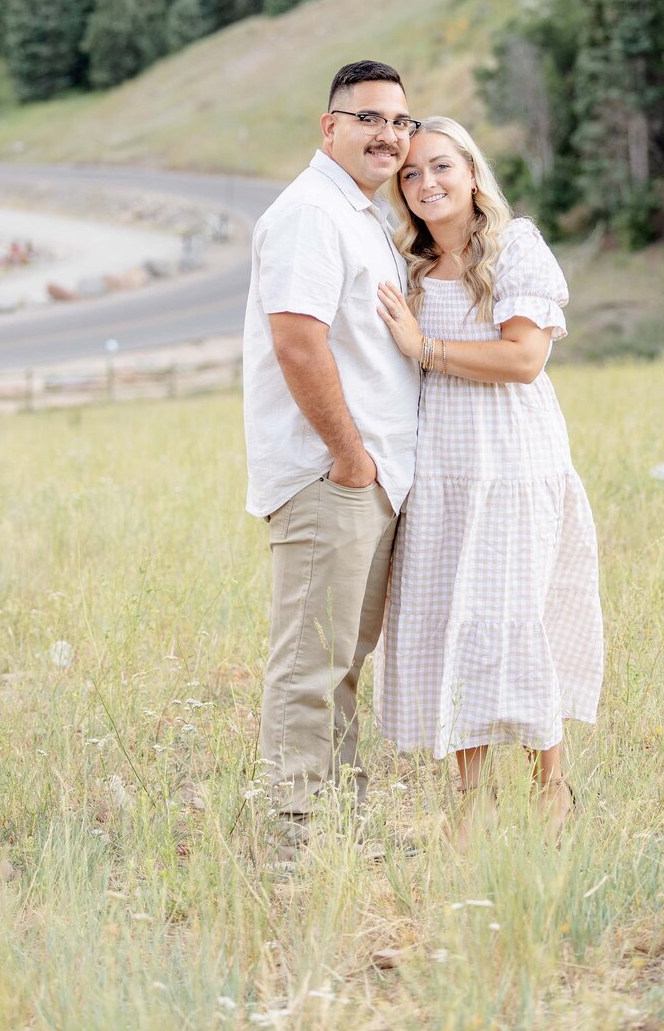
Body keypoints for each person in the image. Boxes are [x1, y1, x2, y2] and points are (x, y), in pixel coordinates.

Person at [374, 116, 603, 832]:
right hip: (441, 463)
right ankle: (469, 802)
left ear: (473, 173)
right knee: (454, 616)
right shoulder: (405, 266)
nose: (426, 183)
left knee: (515, 613)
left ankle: (551, 790)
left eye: (440, 166)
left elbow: (522, 359)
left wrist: (426, 346)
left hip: (511, 456)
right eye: (409, 174)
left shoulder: (514, 247)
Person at [243, 60, 422, 845]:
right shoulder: (311, 213)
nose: (389, 136)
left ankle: (338, 822)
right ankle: (295, 835)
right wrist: (350, 458)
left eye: (401, 123)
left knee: (344, 659)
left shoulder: (360, 215)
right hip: (331, 474)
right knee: (311, 662)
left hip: (366, 476)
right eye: (370, 119)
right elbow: (297, 342)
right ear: (331, 126)